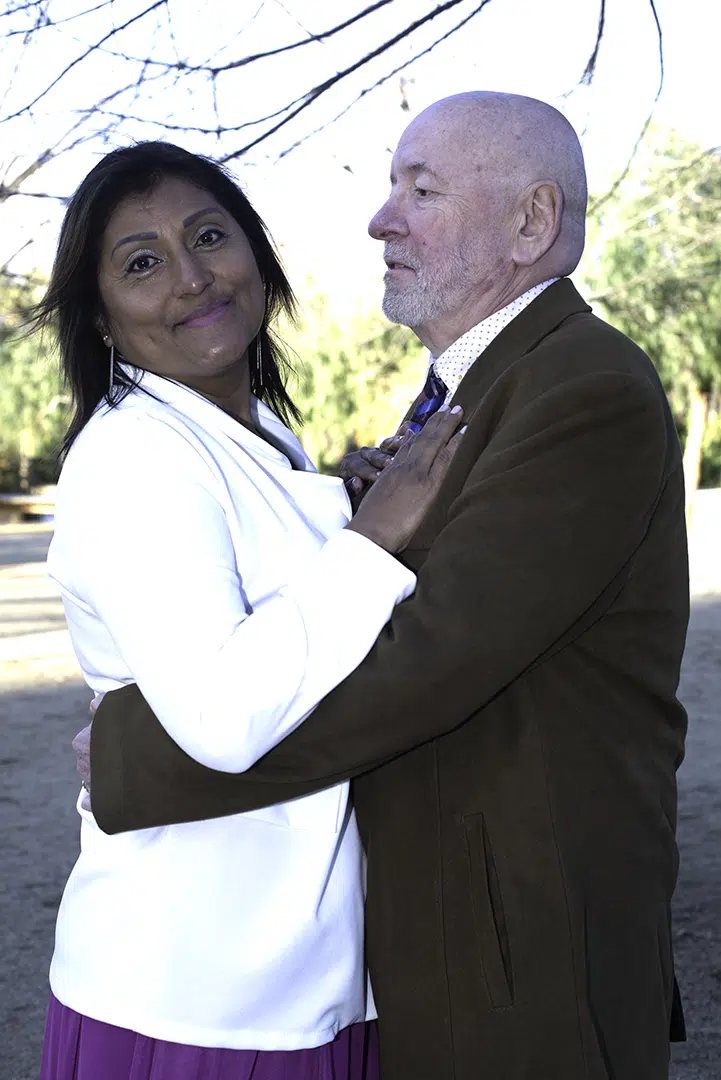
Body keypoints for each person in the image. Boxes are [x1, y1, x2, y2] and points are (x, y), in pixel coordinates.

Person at [86, 93, 689, 1080]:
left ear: (530, 222)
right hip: (450, 927)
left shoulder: (582, 389)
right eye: (390, 187)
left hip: (522, 940)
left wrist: (139, 755)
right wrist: (351, 517)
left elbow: (428, 662)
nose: (381, 220)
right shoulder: (486, 386)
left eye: (422, 190)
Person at [36, 139, 466, 1080]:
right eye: (141, 263)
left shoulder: (257, 430)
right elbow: (224, 718)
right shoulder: (134, 457)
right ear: (101, 316)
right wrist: (368, 542)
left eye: (208, 237)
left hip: (301, 968)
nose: (191, 278)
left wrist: (339, 509)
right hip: (200, 994)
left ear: (256, 255)